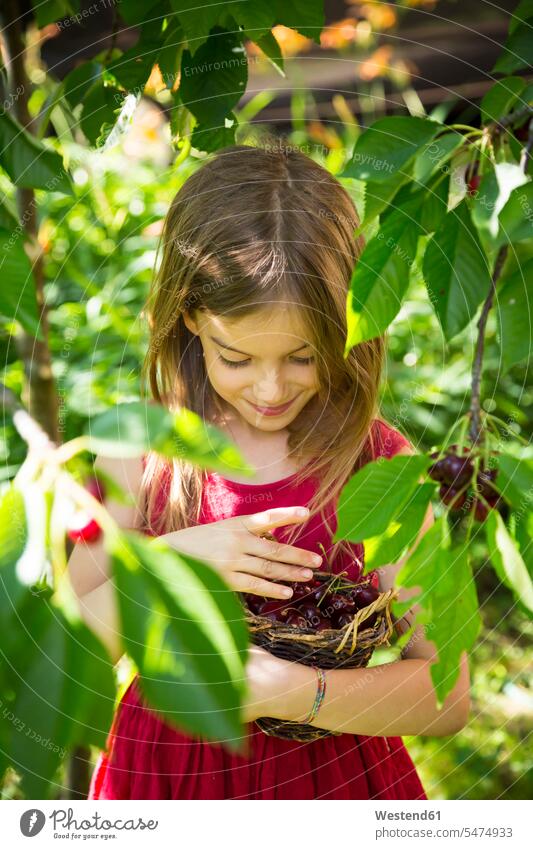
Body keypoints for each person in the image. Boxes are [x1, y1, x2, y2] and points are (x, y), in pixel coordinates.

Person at [68, 143, 470, 800]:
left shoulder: (382, 467)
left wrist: (299, 692)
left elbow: (447, 695)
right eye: (236, 357)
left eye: (303, 356)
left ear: (347, 328)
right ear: (192, 317)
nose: (269, 387)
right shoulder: (138, 454)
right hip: (165, 781)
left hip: (330, 784)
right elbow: (74, 666)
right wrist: (170, 566)